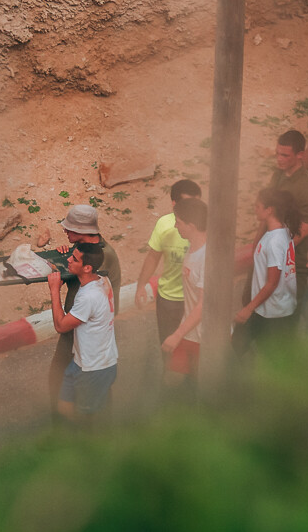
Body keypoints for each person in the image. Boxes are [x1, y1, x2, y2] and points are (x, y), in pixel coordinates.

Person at [47, 205, 121, 417]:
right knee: (72, 384)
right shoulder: (85, 249)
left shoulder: (102, 256)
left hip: (84, 329)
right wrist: (67, 256)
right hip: (80, 324)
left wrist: (56, 284)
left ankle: (79, 427)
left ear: (82, 231)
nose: (65, 230)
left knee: (82, 387)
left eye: (69, 228)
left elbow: (62, 325)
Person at [135, 179, 202, 345]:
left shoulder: (205, 227)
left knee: (196, 349)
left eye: (197, 203)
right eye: (188, 203)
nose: (194, 208)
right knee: (168, 345)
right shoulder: (165, 225)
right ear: (174, 204)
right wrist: (141, 285)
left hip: (196, 299)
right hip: (170, 299)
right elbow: (153, 257)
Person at [233, 188, 299, 355]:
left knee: (259, 351)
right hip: (271, 307)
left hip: (272, 311)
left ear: (269, 210)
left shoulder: (275, 241)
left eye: (258, 206)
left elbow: (272, 283)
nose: (254, 209)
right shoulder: (281, 231)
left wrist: (248, 308)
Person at [267, 130, 308, 302]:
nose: (279, 159)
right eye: (277, 154)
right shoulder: (278, 175)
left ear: (300, 155)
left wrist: (279, 253)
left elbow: (304, 230)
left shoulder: (307, 186)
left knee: (290, 306)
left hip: (295, 260)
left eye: (285, 155)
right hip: (275, 251)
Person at [161, 198, 208, 393]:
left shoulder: (207, 257)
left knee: (202, 389)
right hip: (189, 333)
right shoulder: (192, 247)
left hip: (205, 337)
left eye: (178, 222)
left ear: (191, 226)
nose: (175, 226)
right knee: (172, 382)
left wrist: (177, 335)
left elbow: (204, 305)